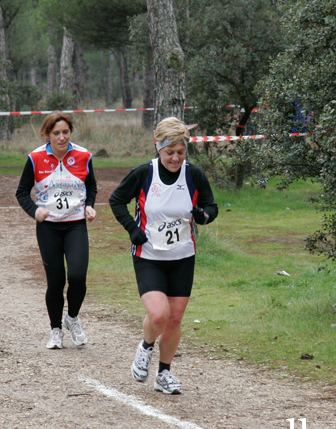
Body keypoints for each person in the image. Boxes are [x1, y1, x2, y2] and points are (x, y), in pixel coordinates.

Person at [109, 117, 218, 394]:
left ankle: (164, 374)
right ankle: (145, 347)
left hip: (182, 255)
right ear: (158, 148)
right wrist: (133, 229)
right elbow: (116, 200)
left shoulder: (193, 174)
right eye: (170, 152)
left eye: (180, 153)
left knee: (175, 319)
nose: (175, 158)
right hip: (149, 254)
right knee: (158, 315)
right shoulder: (144, 173)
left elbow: (210, 207)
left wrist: (203, 215)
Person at [16, 111, 97, 349]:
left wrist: (89, 205)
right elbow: (21, 192)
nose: (61, 138)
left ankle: (71, 318)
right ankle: (55, 330)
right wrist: (35, 211)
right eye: (56, 133)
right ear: (46, 134)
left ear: (70, 133)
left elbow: (91, 185)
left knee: (77, 276)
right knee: (56, 281)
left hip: (75, 224)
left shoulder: (84, 155)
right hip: (49, 227)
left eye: (65, 132)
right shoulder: (35, 158)